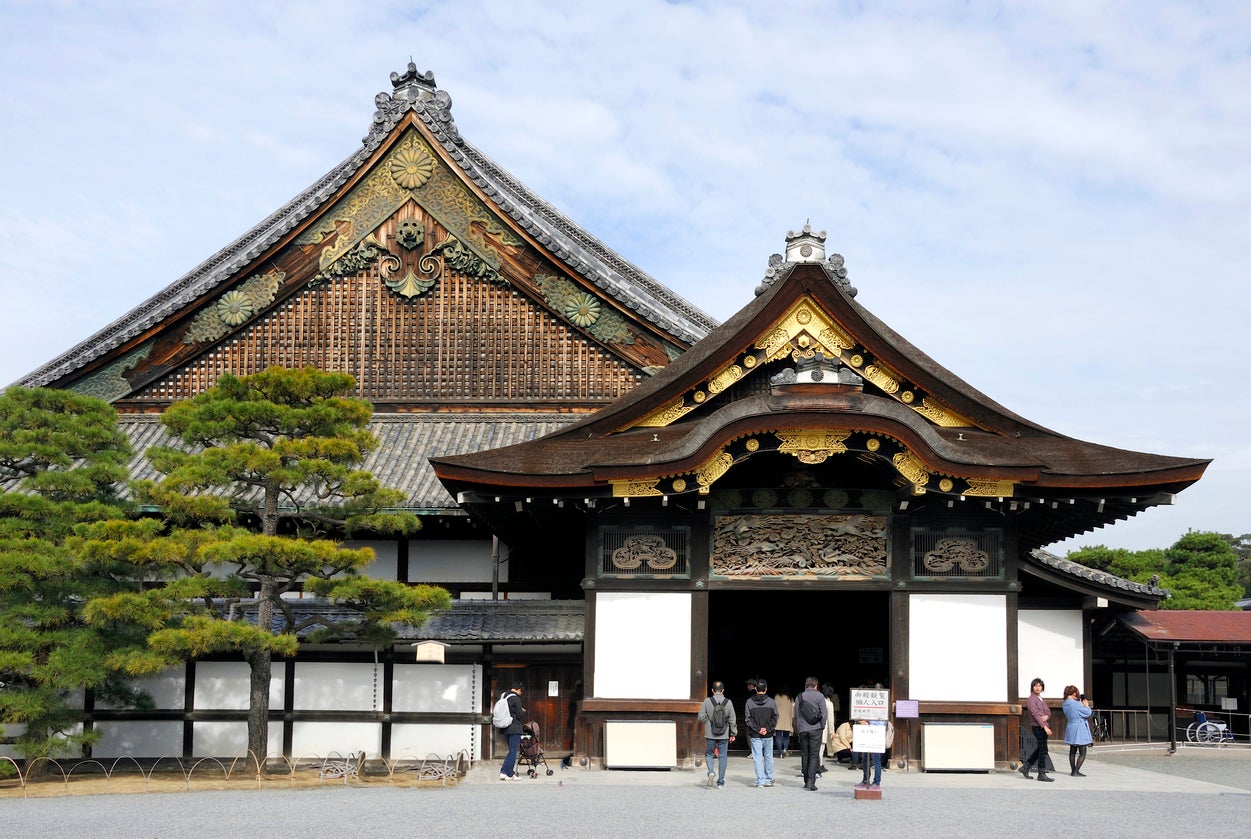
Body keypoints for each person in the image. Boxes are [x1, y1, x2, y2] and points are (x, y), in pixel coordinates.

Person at [697, 681, 737, 788]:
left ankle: (711, 772)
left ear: (712, 690)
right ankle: (720, 782)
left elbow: (700, 717)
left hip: (710, 734)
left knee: (709, 754)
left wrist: (709, 721)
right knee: (722, 757)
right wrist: (733, 733)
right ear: (723, 690)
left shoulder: (707, 701)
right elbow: (732, 719)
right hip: (724, 734)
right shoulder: (728, 702)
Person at [793, 676, 828, 791]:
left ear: (805, 685)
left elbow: (796, 715)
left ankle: (805, 780)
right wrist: (822, 726)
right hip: (816, 729)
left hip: (803, 729)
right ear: (816, 686)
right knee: (813, 754)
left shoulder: (799, 697)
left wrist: (798, 728)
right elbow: (824, 713)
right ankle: (811, 782)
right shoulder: (820, 696)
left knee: (805, 754)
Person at [745, 678, 778, 787]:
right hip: (768, 734)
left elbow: (748, 719)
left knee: (758, 757)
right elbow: (775, 717)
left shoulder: (749, 702)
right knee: (768, 756)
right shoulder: (772, 702)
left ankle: (760, 780)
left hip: (755, 734)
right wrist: (767, 728)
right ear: (766, 689)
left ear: (755, 688)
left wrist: (758, 729)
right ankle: (769, 778)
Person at [1019, 677, 1054, 782]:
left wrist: (1046, 717)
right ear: (1032, 687)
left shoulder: (1041, 699)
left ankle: (1026, 767)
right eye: (1035, 685)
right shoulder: (1031, 699)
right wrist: (1045, 727)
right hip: (1038, 726)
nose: (1038, 688)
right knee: (1043, 750)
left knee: (1041, 749)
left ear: (1042, 688)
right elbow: (1035, 714)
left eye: (1039, 686)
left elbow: (1048, 711)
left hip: (1042, 725)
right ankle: (1041, 773)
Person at [854, 716, 893, 790]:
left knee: (876, 761)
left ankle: (876, 782)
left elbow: (881, 724)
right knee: (865, 760)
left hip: (877, 736)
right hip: (868, 735)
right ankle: (865, 780)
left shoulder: (881, 713)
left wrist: (867, 724)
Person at [1062, 685, 1093, 777]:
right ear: (1074, 693)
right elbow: (1088, 713)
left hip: (1071, 725)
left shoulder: (1065, 704)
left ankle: (1073, 770)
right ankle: (1076, 770)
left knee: (1072, 750)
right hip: (1079, 727)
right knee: (1082, 751)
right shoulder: (1076, 704)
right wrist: (1086, 706)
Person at [498, 681, 525, 781]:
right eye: (521, 691)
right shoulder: (515, 698)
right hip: (514, 727)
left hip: (504, 727)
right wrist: (522, 710)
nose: (521, 693)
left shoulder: (503, 696)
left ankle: (503, 772)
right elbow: (519, 714)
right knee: (513, 751)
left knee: (511, 751)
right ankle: (510, 774)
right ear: (519, 689)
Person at [773, 683, 793, 759]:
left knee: (778, 736)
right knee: (786, 736)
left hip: (779, 719)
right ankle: (785, 749)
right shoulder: (790, 698)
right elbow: (792, 710)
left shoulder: (777, 697)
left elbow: (775, 708)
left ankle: (780, 753)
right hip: (787, 719)